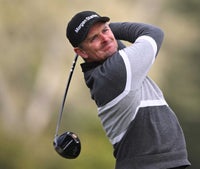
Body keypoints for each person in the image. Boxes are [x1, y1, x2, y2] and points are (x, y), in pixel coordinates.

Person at [66, 10, 191, 169]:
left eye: (105, 30)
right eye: (94, 38)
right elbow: (153, 33)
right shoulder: (113, 74)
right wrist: (111, 29)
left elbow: (113, 45)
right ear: (81, 52)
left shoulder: (109, 68)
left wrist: (105, 33)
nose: (105, 39)